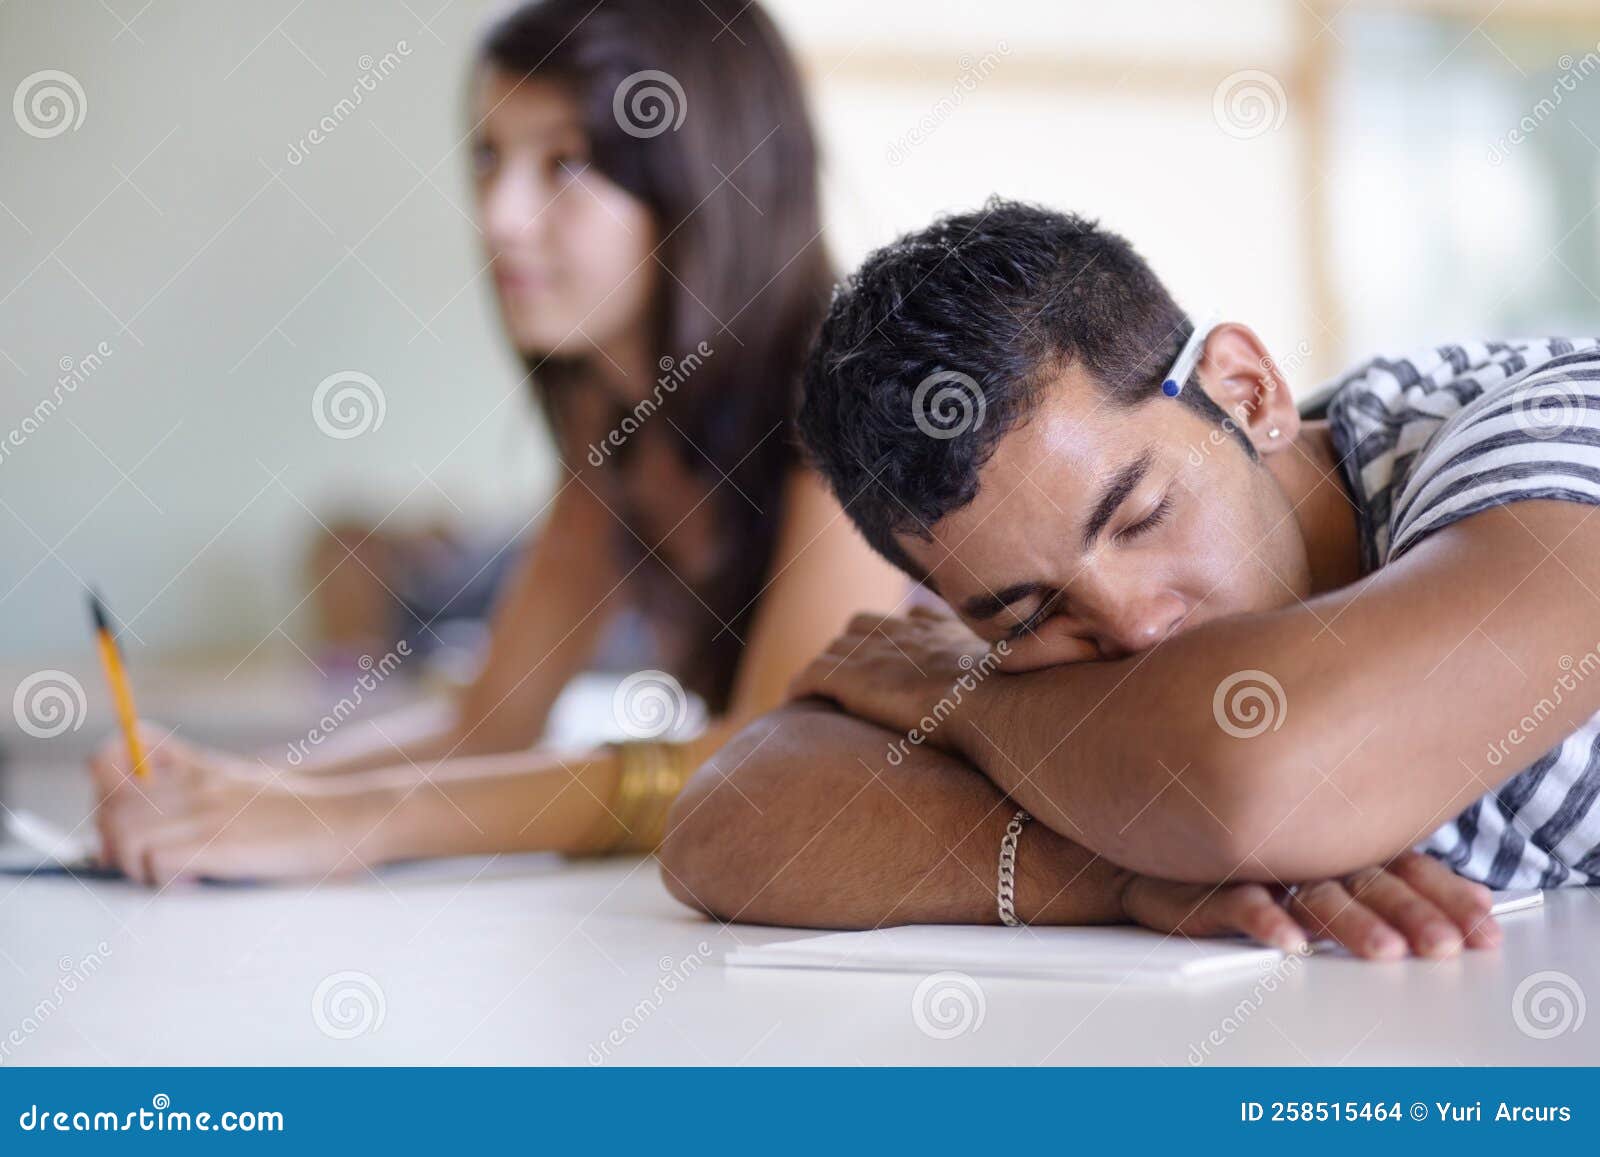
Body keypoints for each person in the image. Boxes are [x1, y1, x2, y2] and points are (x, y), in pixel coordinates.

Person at [88, 0, 906, 882]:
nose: (501, 218)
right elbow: (492, 721)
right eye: (489, 157)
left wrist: (356, 821)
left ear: (705, 183)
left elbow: (766, 764)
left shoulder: (846, 397)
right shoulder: (611, 417)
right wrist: (248, 791)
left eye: (565, 162)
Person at [660, 199, 1600, 957]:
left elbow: (1257, 768)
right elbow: (726, 820)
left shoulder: (1553, 436)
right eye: (1026, 613)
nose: (1133, 627)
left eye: (1141, 517)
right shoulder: (1041, 628)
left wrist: (949, 693)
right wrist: (1118, 872)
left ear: (1246, 389)